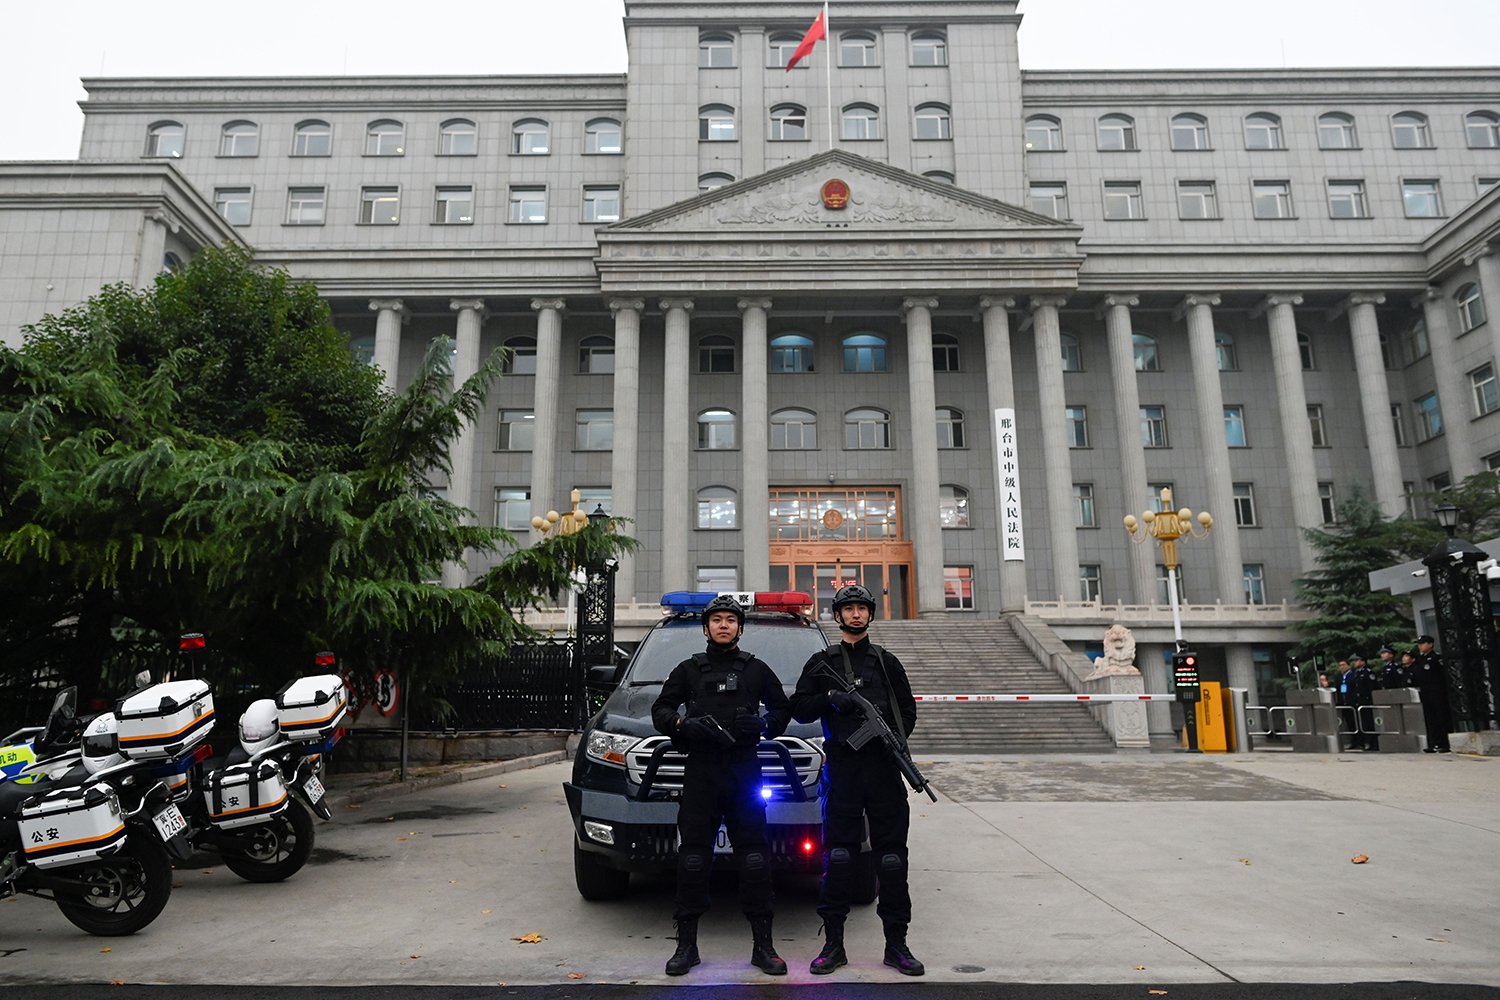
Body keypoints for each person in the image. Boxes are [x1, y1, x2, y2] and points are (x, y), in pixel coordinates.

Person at [650, 594, 792, 977]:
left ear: (740, 628)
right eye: (717, 620)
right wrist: (682, 725)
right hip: (701, 772)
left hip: (744, 771)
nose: (724, 625)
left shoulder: (756, 670)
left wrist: (762, 726)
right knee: (693, 858)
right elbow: (661, 710)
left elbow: (782, 711)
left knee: (755, 859)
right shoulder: (688, 670)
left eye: (731, 619)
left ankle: (764, 947)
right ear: (707, 628)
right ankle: (687, 947)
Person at [789, 584, 924, 978]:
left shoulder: (886, 663)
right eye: (848, 609)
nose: (856, 615)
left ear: (870, 614)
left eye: (862, 609)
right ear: (838, 615)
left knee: (892, 859)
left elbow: (907, 712)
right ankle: (833, 945)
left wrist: (893, 741)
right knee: (840, 857)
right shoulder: (821, 662)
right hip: (843, 771)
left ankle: (896, 944)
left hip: (883, 771)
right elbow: (798, 708)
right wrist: (832, 697)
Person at [1411, 634, 1453, 753]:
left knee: (1441, 718)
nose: (1420, 646)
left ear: (1430, 644)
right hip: (1425, 693)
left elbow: (1442, 676)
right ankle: (1433, 743)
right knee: (1430, 719)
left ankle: (1445, 743)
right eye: (1419, 644)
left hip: (1437, 693)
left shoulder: (1436, 658)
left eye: (1422, 644)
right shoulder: (1420, 660)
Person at [1344, 653, 1378, 751]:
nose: (1355, 663)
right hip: (1358, 702)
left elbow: (1371, 687)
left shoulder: (1368, 673)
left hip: (1366, 701)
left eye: (1357, 660)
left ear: (1363, 661)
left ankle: (1373, 744)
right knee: (1362, 724)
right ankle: (1363, 742)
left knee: (1369, 723)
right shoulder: (1356, 673)